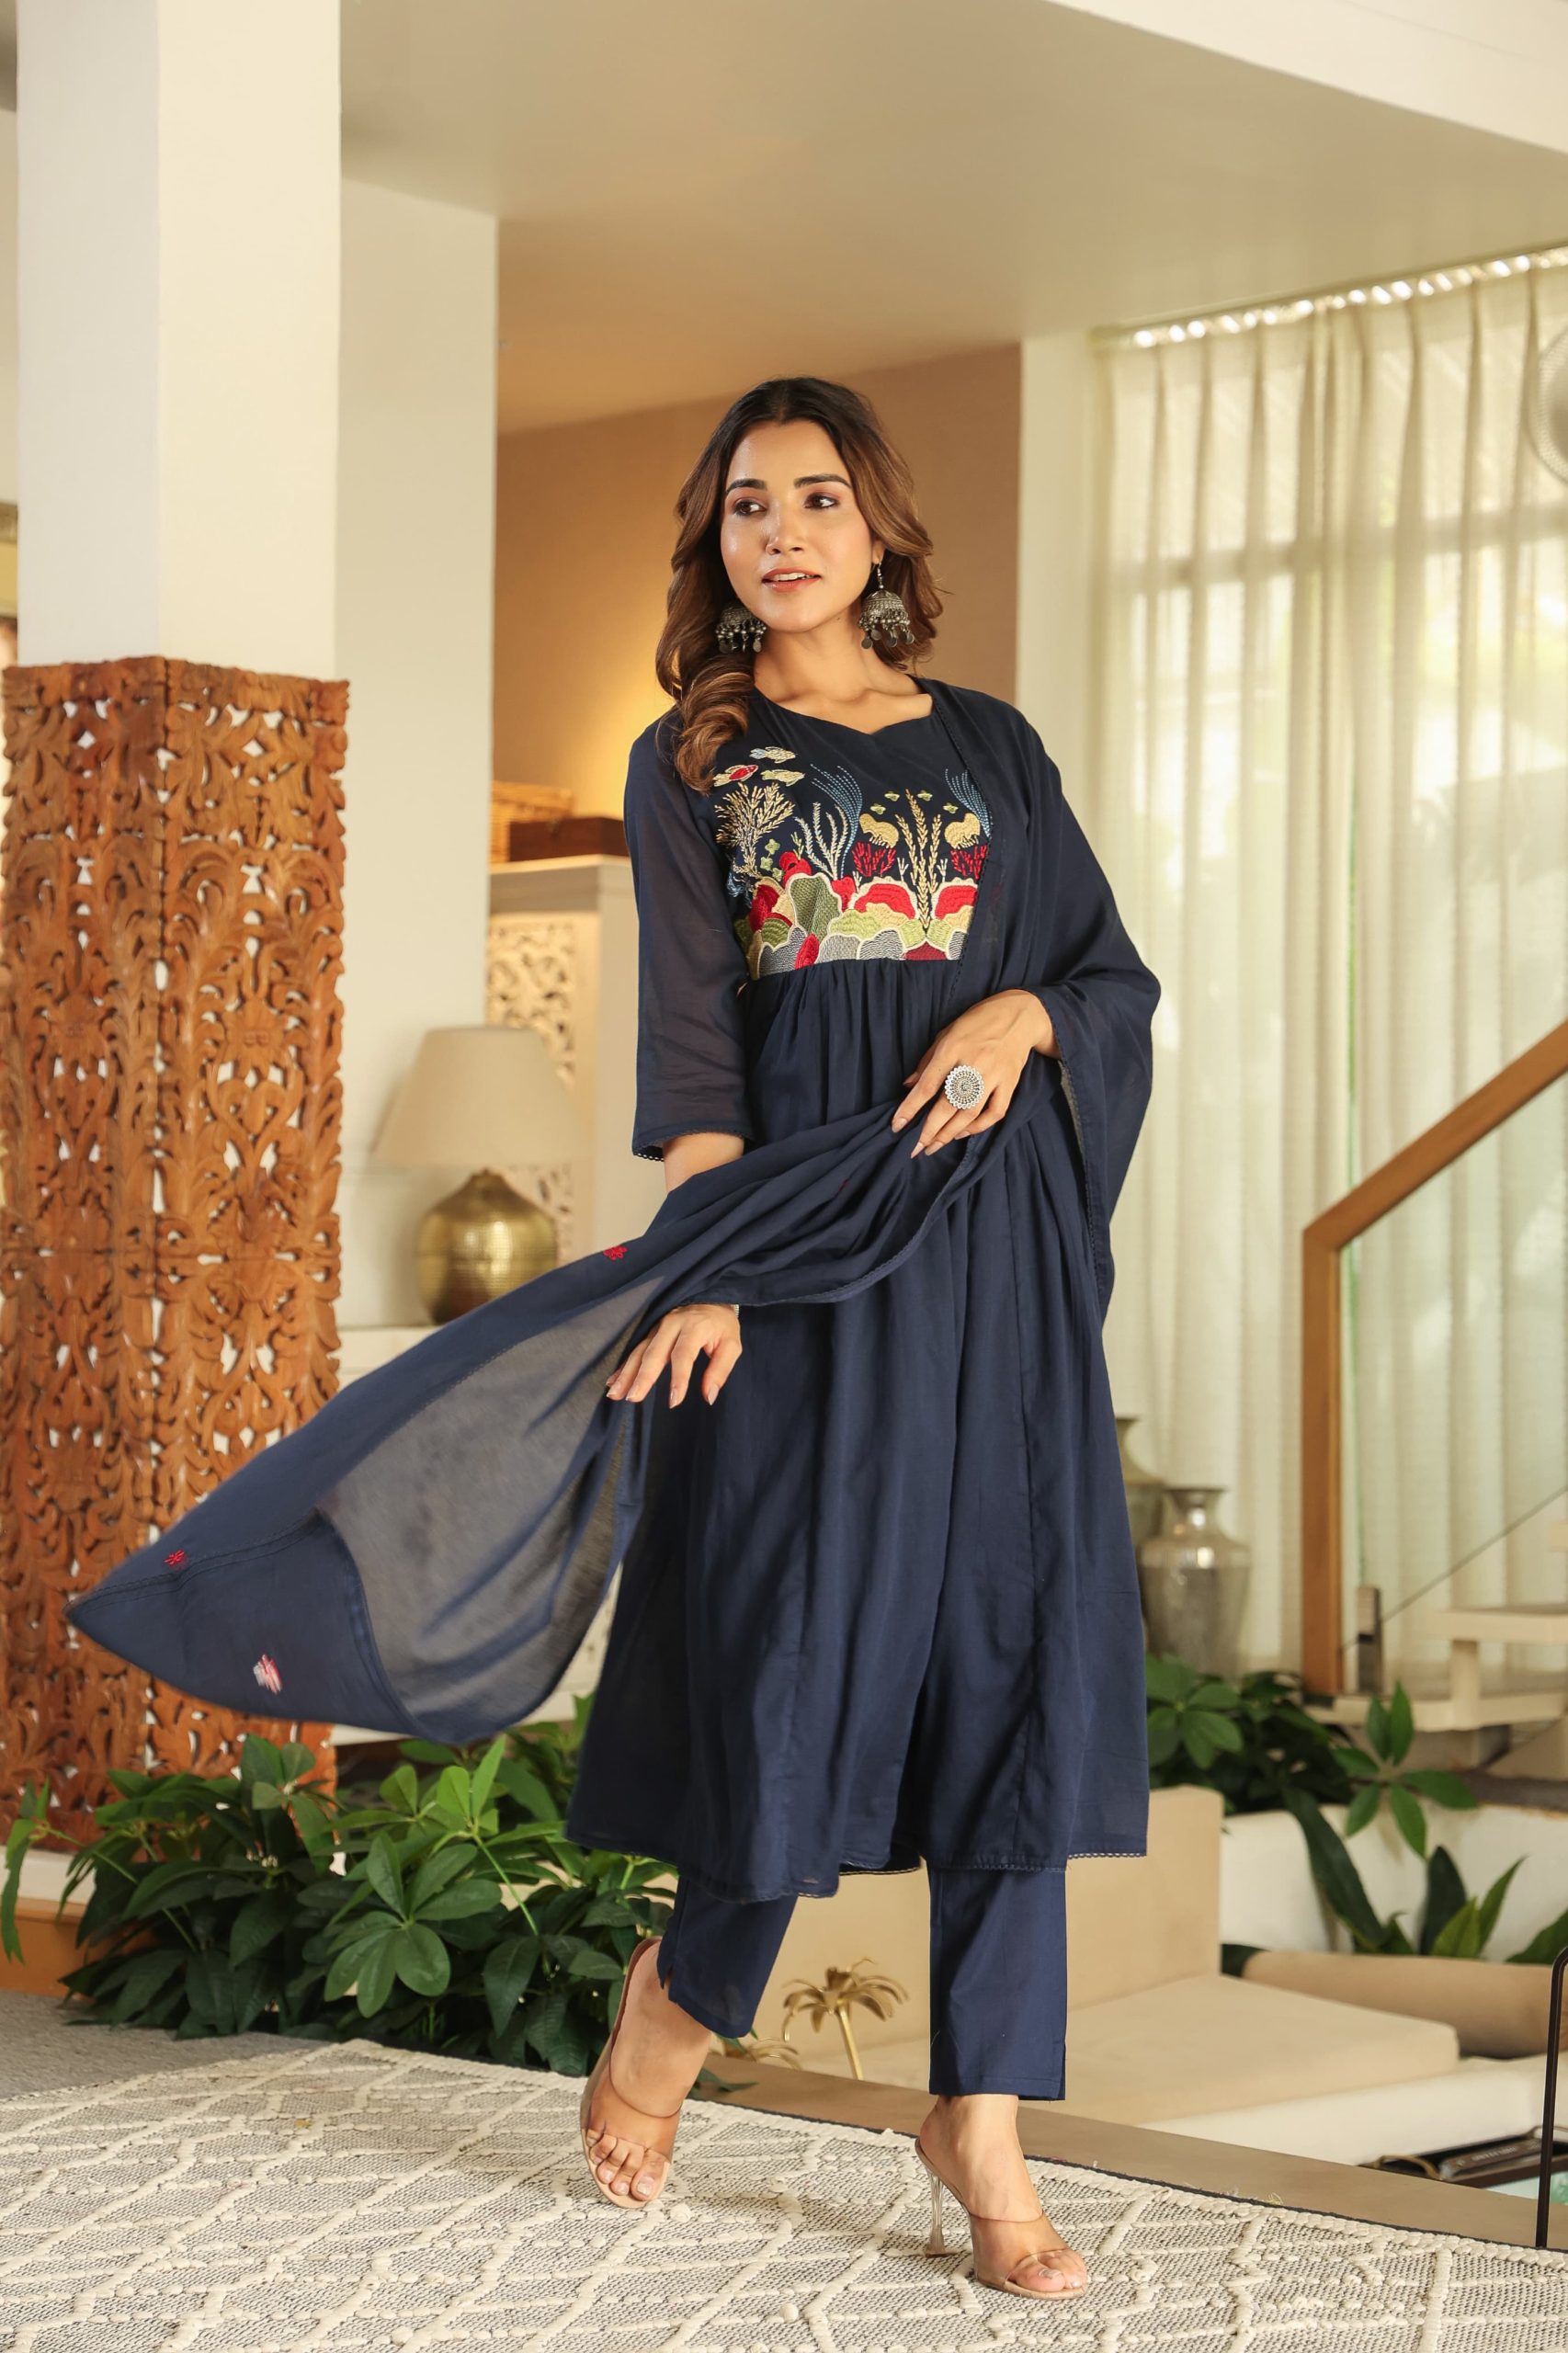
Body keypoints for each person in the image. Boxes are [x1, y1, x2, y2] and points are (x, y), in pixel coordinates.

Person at [566, 376, 1161, 2302]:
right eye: (747, 506)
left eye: (817, 498)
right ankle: (680, 2001)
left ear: (879, 527)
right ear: (716, 543)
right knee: (792, 1650)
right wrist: (712, 1269)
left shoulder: (991, 743)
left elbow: (1105, 973)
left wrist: (1023, 1019)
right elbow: (696, 1058)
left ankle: (980, 2115)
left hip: (994, 1256)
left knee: (1005, 1656)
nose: (784, 533)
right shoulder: (695, 759)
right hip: (803, 1256)